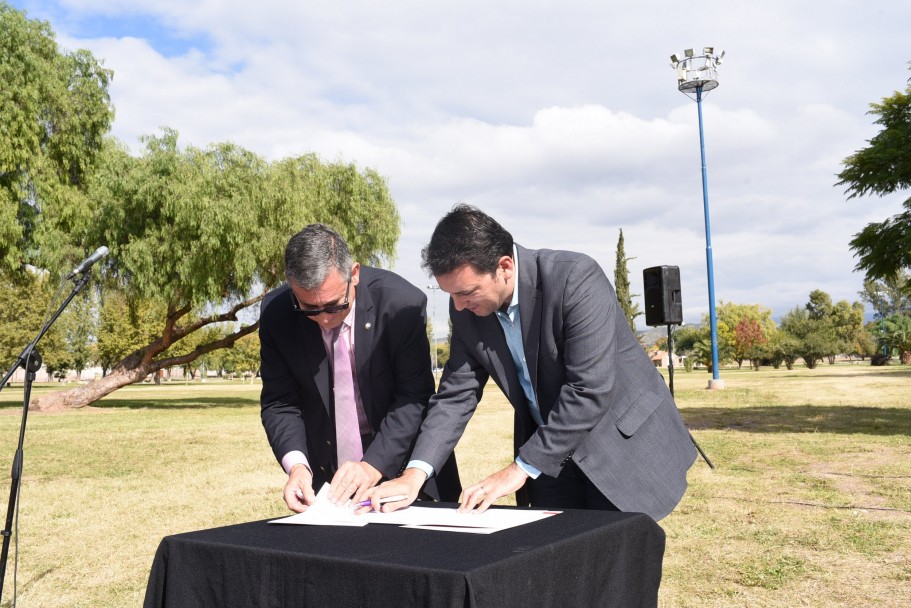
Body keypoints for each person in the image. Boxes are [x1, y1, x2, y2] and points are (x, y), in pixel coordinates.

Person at [366, 204, 695, 520]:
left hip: (619, 446)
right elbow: (456, 394)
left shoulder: (575, 278)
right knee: (555, 563)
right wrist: (414, 474)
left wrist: (517, 470)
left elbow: (590, 389)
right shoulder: (466, 310)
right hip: (550, 454)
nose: (459, 305)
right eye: (450, 295)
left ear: (504, 267)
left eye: (467, 292)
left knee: (615, 565)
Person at [259, 223, 460, 512]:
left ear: (353, 273)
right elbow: (280, 402)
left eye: (333, 306)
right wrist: (297, 466)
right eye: (309, 309)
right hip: (330, 477)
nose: (324, 319)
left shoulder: (400, 305)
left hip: (402, 463)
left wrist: (373, 464)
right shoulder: (276, 314)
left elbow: (413, 397)